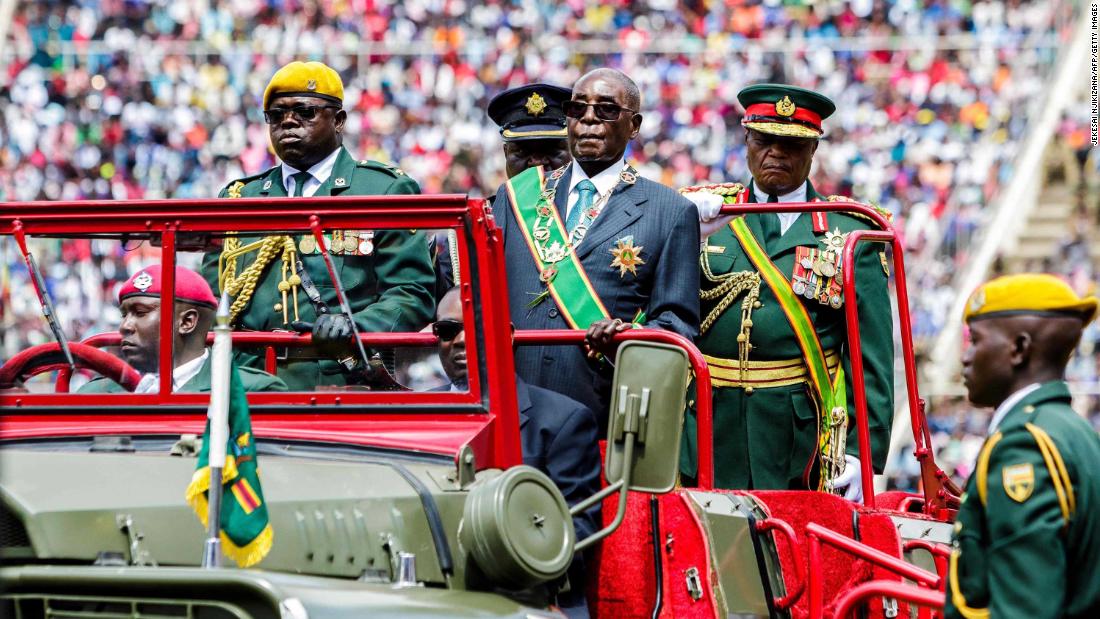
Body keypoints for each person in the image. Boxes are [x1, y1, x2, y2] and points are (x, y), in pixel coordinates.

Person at [679, 84, 893, 497]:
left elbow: (872, 357)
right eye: (764, 140)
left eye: (791, 144)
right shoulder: (706, 214)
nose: (775, 153)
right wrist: (677, 226)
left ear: (813, 151)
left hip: (796, 433)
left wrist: (862, 454)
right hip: (706, 421)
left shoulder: (848, 231)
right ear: (746, 141)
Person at [201, 61, 436, 390]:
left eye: (304, 112)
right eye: (276, 115)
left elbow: (413, 292)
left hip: (334, 382)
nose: (288, 122)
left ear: (338, 120)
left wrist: (354, 327)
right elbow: (211, 301)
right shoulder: (240, 197)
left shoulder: (381, 190)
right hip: (247, 385)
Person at [494, 67, 700, 425]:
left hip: (601, 412)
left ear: (633, 126)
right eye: (577, 109)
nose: (589, 119)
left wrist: (626, 338)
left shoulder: (670, 211)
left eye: (606, 109)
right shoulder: (515, 197)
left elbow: (677, 326)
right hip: (514, 405)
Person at [433, 287, 600, 617]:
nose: (461, 340)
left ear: (506, 336)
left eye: (476, 326)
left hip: (529, 594)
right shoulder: (421, 413)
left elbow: (579, 529)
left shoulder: (562, 420)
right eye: (448, 330)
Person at [946, 274, 1100, 619]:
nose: (966, 357)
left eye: (976, 341)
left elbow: (1024, 608)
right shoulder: (1073, 430)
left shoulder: (1023, 445)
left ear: (1018, 349)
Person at [79, 265, 286, 393]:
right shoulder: (96, 393)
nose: (125, 326)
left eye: (140, 312)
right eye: (124, 315)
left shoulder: (251, 391)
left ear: (187, 322)